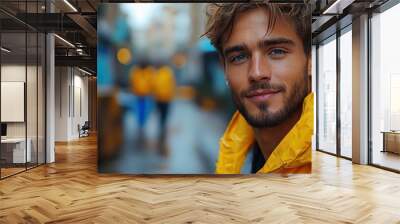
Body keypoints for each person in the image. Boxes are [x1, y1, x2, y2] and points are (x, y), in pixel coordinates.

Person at [204, 2, 313, 174]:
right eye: (239, 57)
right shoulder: (233, 158)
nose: (256, 72)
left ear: (311, 59)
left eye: (276, 51)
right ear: (224, 68)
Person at [151, 65, 176, 156]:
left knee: (164, 114)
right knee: (160, 114)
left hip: (166, 98)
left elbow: (172, 84)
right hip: (159, 98)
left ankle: (162, 126)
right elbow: (153, 85)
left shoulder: (167, 73)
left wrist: (171, 94)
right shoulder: (156, 73)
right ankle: (161, 126)